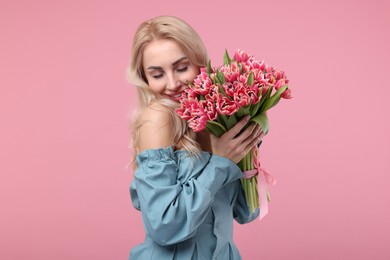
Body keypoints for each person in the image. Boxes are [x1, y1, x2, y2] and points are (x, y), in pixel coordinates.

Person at [127, 15, 264, 260]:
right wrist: (220, 162)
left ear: (200, 63)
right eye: (157, 74)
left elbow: (248, 212)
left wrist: (247, 137)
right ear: (145, 79)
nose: (172, 84)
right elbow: (164, 227)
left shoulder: (215, 121)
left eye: (181, 68)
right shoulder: (158, 117)